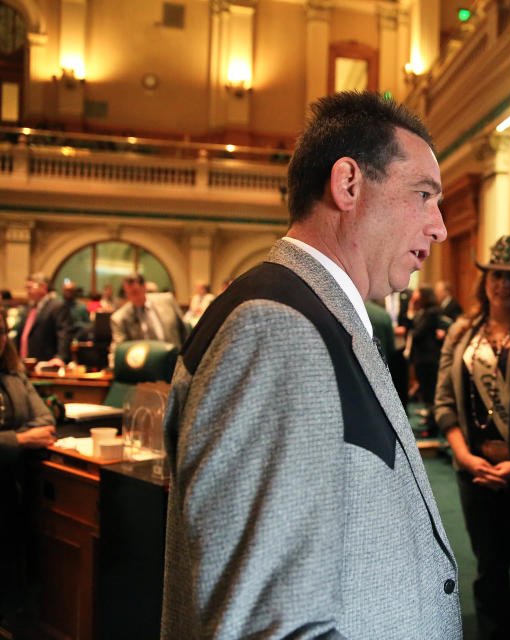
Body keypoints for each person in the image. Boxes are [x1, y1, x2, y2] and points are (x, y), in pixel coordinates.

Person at [161, 91, 460, 639]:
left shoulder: (316, 313)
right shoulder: (278, 330)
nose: (440, 227)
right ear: (349, 184)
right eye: (423, 195)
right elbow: (268, 623)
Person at [434, 235, 510, 640]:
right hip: (475, 473)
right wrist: (464, 458)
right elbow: (444, 402)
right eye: (497, 275)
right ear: (485, 280)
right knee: (488, 570)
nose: (505, 284)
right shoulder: (461, 334)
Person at [0, 309, 57, 619]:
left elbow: (45, 419)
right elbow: (32, 431)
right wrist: (20, 440)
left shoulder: (11, 371)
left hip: (12, 486)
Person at [110, 273, 187, 360]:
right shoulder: (119, 318)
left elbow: (184, 331)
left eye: (135, 292)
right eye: (128, 292)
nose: (132, 296)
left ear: (144, 287)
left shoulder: (167, 300)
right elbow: (120, 348)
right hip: (146, 364)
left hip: (175, 358)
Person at [405, 286, 445, 434]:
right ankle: (430, 421)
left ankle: (433, 427)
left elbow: (416, 334)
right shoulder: (423, 312)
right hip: (422, 358)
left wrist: (412, 315)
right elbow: (409, 329)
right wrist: (410, 311)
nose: (413, 296)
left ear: (424, 296)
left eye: (416, 293)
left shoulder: (431, 313)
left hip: (428, 359)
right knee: (427, 392)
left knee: (430, 393)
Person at [12, 273, 73, 367]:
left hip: (46, 362)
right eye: (26, 288)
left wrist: (60, 357)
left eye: (30, 287)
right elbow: (21, 334)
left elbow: (64, 333)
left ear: (43, 287)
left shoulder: (57, 306)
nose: (27, 291)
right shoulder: (28, 308)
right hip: (23, 362)